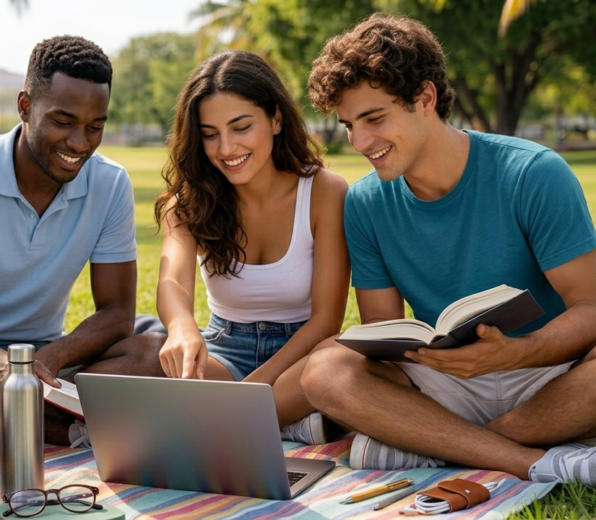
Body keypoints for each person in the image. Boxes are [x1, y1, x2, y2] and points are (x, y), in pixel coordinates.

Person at [300, 13, 596, 484]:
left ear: (426, 98)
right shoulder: (364, 201)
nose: (359, 142)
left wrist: (516, 354)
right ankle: (530, 459)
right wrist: (427, 356)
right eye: (349, 124)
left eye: (374, 118)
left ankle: (442, 444)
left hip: (550, 371)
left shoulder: (533, 172)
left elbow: (590, 306)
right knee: (325, 371)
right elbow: (383, 332)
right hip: (444, 381)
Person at [0, 35, 164, 446]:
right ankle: (63, 431)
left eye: (95, 127)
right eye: (63, 121)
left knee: (153, 354)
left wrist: (47, 360)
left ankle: (16, 418)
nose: (80, 143)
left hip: (51, 363)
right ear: (25, 106)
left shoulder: (110, 184)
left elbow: (117, 313)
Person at [153, 50, 349, 438]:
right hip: (226, 349)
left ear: (276, 120)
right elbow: (172, 280)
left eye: (241, 127)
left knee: (342, 363)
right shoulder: (190, 199)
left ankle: (243, 421)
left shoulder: (325, 191)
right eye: (210, 134)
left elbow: (327, 320)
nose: (226, 149)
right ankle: (282, 423)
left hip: (303, 354)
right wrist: (181, 328)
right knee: (147, 355)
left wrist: (256, 387)